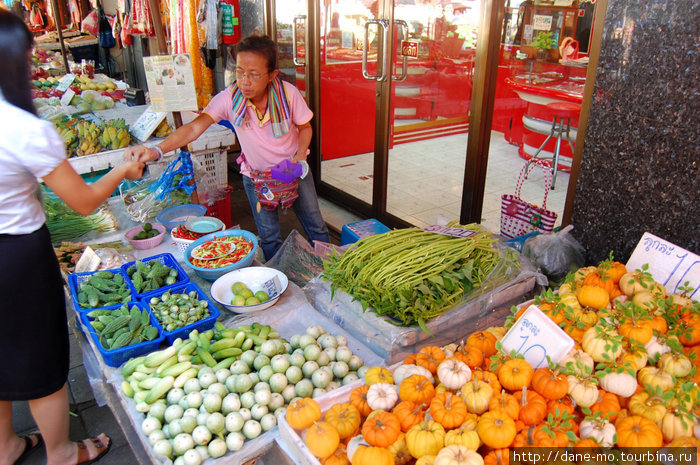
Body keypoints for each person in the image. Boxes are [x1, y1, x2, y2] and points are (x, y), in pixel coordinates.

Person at [0, 10, 145, 465]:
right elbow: (83, 202)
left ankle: (5, 446)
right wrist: (122, 169)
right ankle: (61, 451)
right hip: (16, 257)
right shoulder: (23, 129)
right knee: (39, 354)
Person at [124, 34, 329, 260]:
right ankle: (280, 279)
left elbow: (305, 127)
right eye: (240, 72)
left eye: (254, 74)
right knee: (269, 236)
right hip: (256, 178)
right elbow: (194, 128)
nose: (245, 81)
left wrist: (299, 157)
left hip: (293, 172)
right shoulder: (229, 98)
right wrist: (157, 150)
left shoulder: (288, 94)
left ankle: (328, 273)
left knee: (316, 227)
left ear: (272, 75)